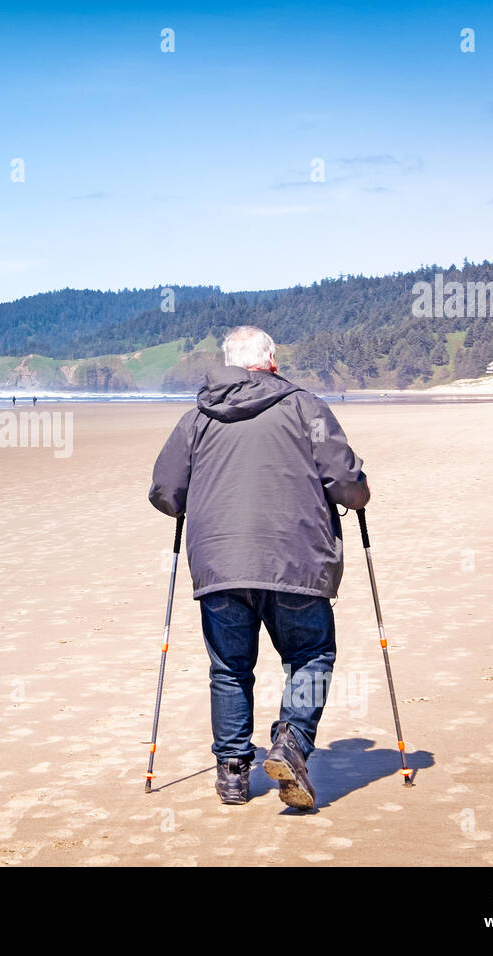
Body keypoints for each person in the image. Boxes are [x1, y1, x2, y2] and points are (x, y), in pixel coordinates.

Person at [148, 326, 370, 810]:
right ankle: (290, 742)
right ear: (271, 360)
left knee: (230, 668)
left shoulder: (197, 418)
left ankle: (232, 774)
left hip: (220, 565)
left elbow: (166, 492)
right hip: (297, 562)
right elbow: (347, 483)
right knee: (311, 655)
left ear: (229, 362)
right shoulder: (304, 407)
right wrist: (359, 493)